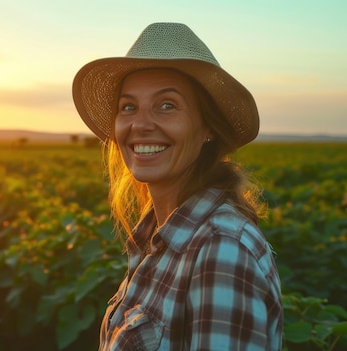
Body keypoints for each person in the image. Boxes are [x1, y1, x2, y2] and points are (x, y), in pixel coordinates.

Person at [72, 22, 283, 350]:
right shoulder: (159, 236)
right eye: (128, 107)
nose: (140, 124)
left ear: (208, 128)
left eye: (167, 105)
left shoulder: (221, 251)